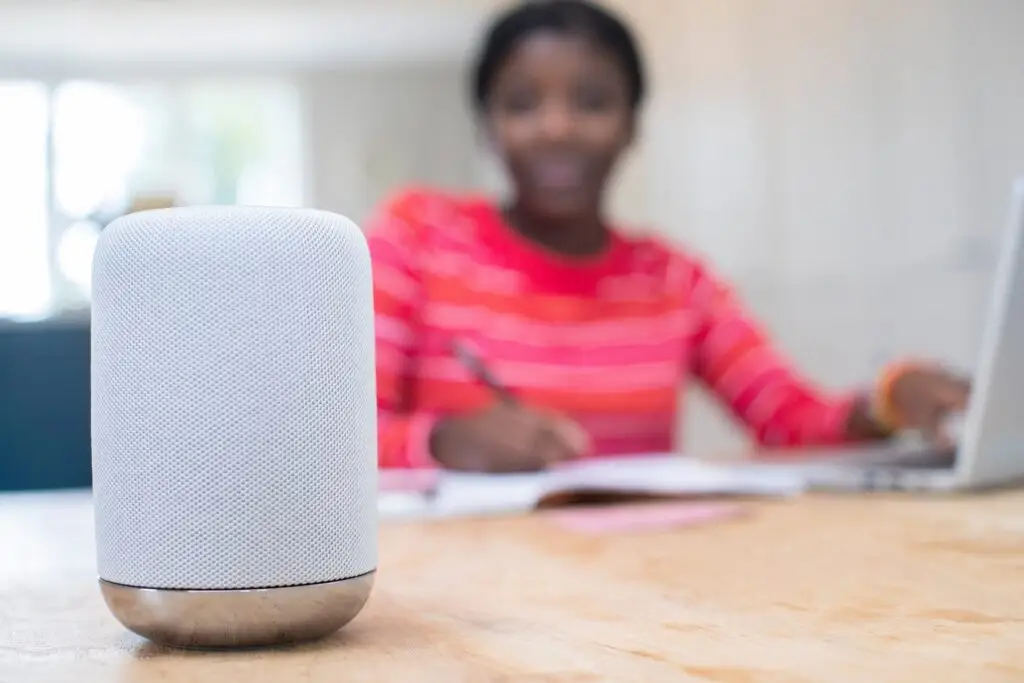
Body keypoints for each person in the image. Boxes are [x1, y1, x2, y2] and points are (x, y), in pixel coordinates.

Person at [367, 0, 969, 473]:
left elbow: (789, 420)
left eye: (593, 101)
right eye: (522, 104)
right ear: (488, 129)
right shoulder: (415, 237)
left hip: (640, 595)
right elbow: (324, 451)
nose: (557, 127)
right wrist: (445, 442)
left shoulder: (674, 280)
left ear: (632, 124)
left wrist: (891, 400)